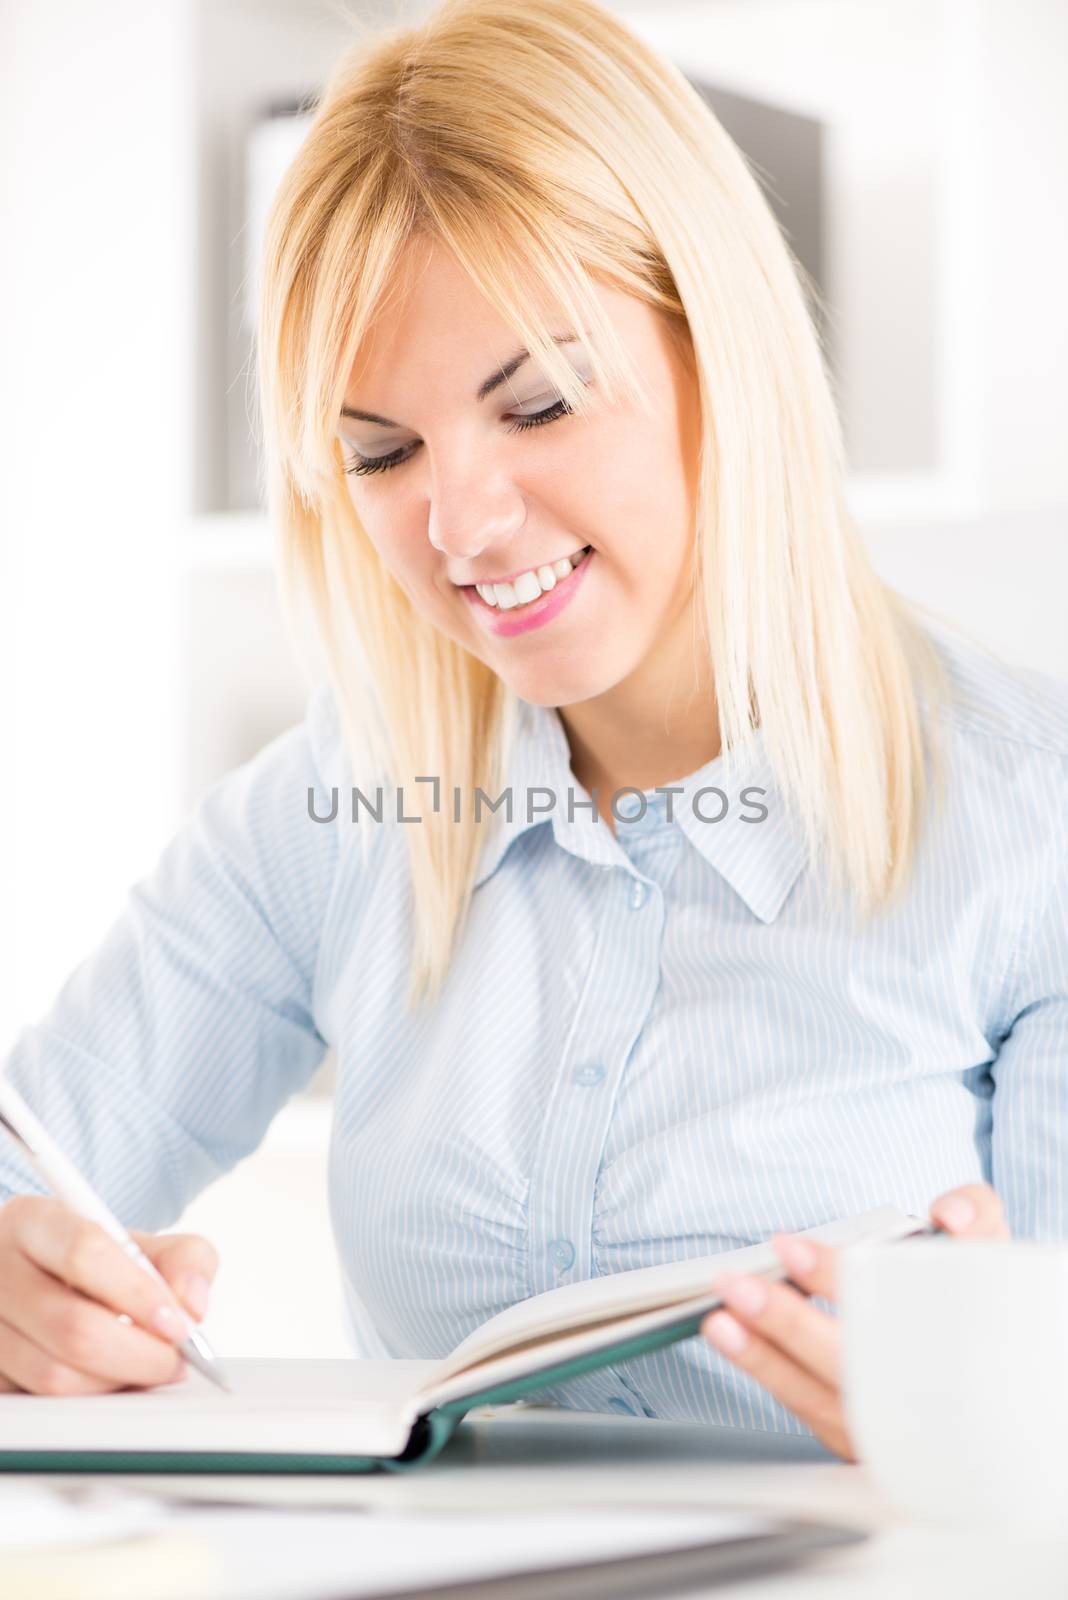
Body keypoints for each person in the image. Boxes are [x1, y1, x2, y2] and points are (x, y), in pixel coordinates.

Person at [0, 0, 1064, 1463]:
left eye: (542, 404)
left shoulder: (1028, 825)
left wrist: (998, 1433)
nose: (459, 524)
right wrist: (21, 1285)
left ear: (720, 352)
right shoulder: (338, 805)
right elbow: (39, 1157)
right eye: (379, 451)